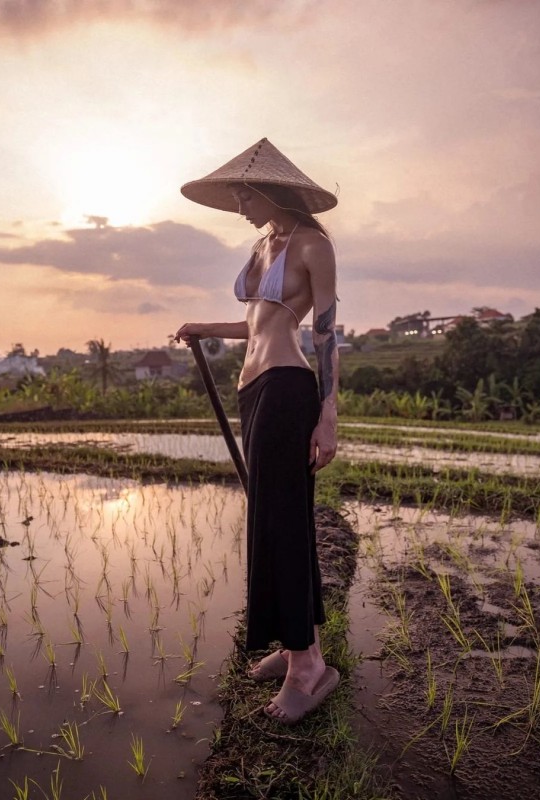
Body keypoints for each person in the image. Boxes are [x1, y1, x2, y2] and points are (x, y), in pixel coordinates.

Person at [175, 138, 340, 725]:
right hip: (255, 391)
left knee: (283, 521)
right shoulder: (263, 243)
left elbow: (324, 333)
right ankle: (297, 645)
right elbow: (256, 323)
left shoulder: (313, 245)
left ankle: (309, 670)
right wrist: (201, 326)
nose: (238, 203)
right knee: (269, 519)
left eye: (244, 192)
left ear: (270, 189)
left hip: (290, 389)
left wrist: (328, 414)